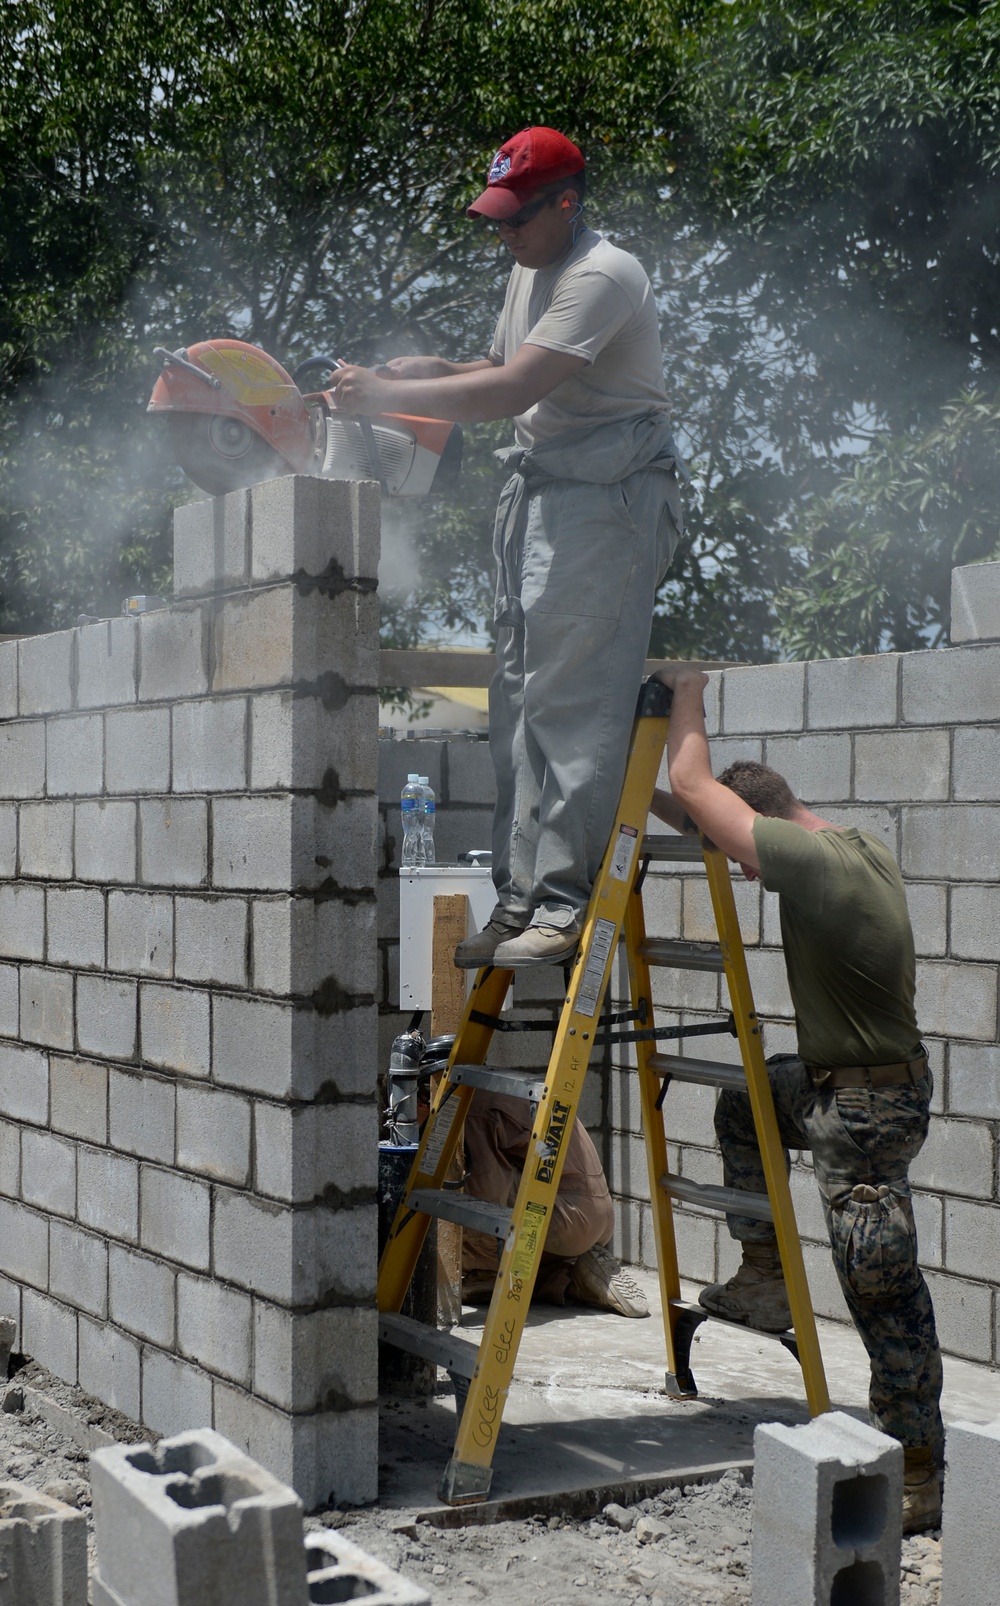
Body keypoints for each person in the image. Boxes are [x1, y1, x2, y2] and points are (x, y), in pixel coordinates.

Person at [331, 126, 684, 969]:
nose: (505, 234)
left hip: (608, 500)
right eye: (495, 219)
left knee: (572, 702)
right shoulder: (530, 266)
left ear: (567, 201)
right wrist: (427, 370)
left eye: (516, 218)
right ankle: (517, 896)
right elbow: (497, 360)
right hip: (545, 495)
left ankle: (562, 907)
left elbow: (517, 387)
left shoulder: (604, 274)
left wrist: (383, 394)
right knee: (517, 705)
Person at [649, 666, 944, 1535]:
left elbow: (694, 784)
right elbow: (704, 813)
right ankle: (768, 1276)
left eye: (744, 856)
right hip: (836, 1085)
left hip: (865, 1117)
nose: (743, 874)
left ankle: (919, 1468)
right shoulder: (850, 845)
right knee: (747, 1100)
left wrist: (685, 692)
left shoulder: (813, 868)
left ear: (769, 831)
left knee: (882, 1290)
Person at [461, 1090, 648, 1317]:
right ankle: (573, 1280)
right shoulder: (503, 1089)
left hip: (568, 1217)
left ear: (423, 1102)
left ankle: (489, 1274)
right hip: (596, 1216)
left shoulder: (469, 1111)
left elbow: (484, 1198)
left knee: (456, 1207)